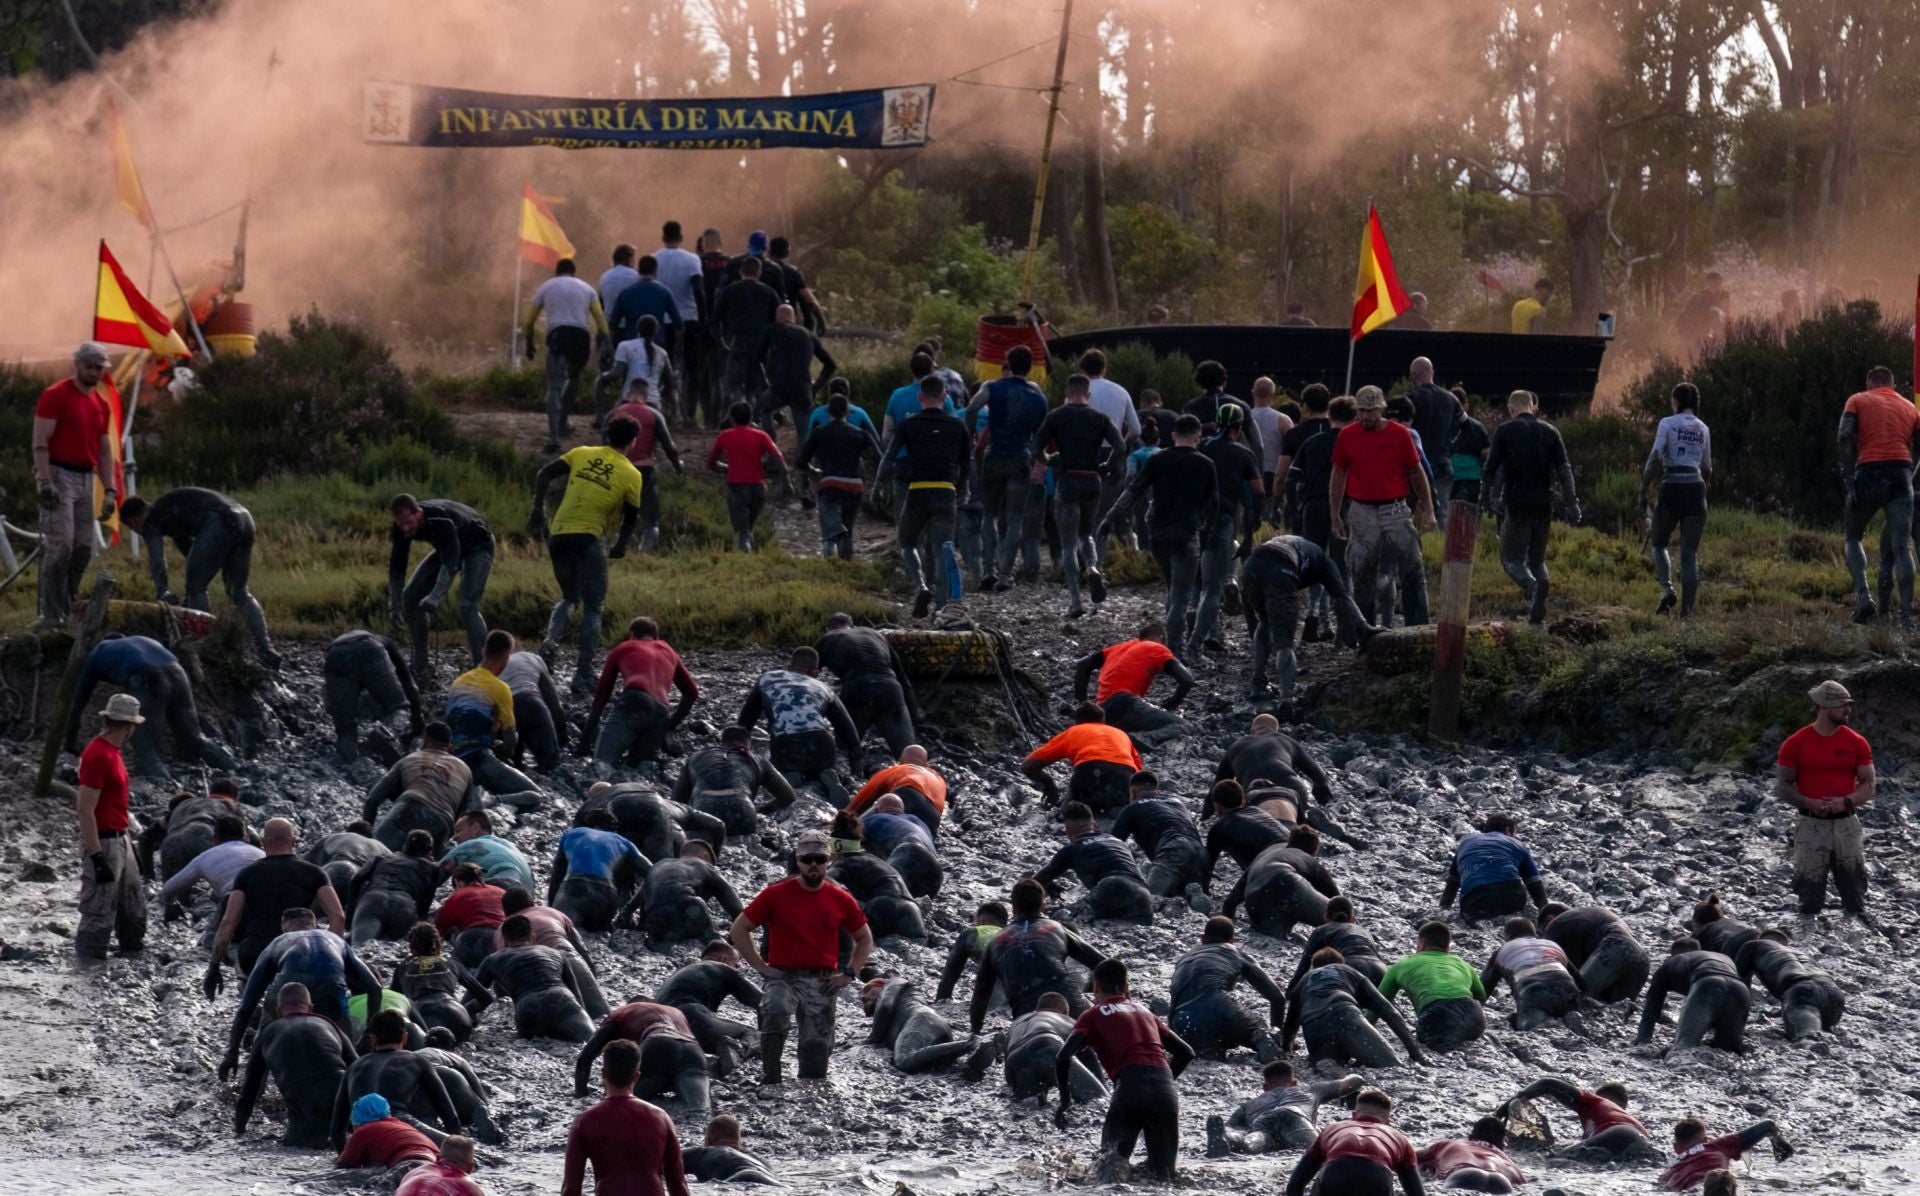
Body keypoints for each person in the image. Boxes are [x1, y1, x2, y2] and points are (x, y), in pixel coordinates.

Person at [730, 828, 873, 1081]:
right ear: (798, 861)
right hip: (782, 975)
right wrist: (760, 966)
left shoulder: (840, 898)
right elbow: (740, 928)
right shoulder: (775, 894)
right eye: (807, 860)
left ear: (829, 861)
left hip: (822, 980)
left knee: (815, 1064)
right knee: (774, 1011)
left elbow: (864, 938)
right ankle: (770, 1077)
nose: (813, 866)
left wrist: (849, 973)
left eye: (819, 860)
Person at [1053, 958, 1195, 1182]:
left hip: (1130, 1088)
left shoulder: (1093, 1014)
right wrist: (1162, 1083)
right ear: (1126, 986)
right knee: (1165, 1177)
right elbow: (1186, 1053)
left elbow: (1062, 1057)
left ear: (1096, 987)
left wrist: (1065, 1102)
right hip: (1165, 1092)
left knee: (1108, 1173)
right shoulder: (1146, 1013)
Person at [529, 418, 644, 688]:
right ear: (633, 441)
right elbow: (631, 518)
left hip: (558, 535)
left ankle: (550, 644)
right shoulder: (632, 474)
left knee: (569, 597)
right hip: (589, 537)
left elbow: (543, 474)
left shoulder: (581, 452)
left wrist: (537, 509)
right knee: (594, 606)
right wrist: (620, 544)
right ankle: (583, 674)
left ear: (606, 433)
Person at [120, 487, 278, 666]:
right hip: (243, 518)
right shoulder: (170, 512)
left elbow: (157, 560)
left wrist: (162, 592)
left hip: (220, 519)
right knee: (239, 591)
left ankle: (207, 647)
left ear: (133, 522)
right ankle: (266, 649)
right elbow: (192, 552)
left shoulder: (150, 520)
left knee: (196, 588)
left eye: (134, 529)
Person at [222, 907, 383, 1075]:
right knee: (345, 1057)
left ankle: (255, 1087)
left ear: (284, 927)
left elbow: (247, 1003)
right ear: (314, 925)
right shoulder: (336, 940)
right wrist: (369, 1033)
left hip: (287, 996)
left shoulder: (279, 941)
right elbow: (375, 988)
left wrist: (232, 1052)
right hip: (331, 994)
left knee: (265, 1042)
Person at [1330, 386, 1436, 628]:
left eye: (1371, 411)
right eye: (1362, 411)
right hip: (1361, 509)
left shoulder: (1400, 434)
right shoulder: (1347, 435)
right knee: (1362, 571)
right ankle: (1365, 630)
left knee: (1412, 568)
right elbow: (1338, 474)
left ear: (1381, 410)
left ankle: (1418, 627)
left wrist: (1428, 509)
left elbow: (1416, 473)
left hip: (1395, 508)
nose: (1366, 416)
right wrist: (1335, 514)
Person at [68, 634, 237, 779]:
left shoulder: (98, 652)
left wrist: (69, 743)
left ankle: (165, 786)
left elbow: (77, 702)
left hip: (147, 677)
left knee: (147, 752)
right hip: (178, 674)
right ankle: (235, 769)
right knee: (195, 738)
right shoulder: (140, 641)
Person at [30, 342, 115, 626]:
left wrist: (111, 490)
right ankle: (50, 614)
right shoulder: (56, 395)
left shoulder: (100, 404)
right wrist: (44, 481)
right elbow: (40, 440)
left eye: (98, 368)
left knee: (83, 547)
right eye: (88, 366)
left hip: (85, 477)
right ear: (77, 365)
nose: (93, 372)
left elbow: (104, 451)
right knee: (60, 546)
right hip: (57, 473)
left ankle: (67, 601)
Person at [1775, 678, 1873, 913]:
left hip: (1847, 824)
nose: (1848, 710)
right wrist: (1810, 802)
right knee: (1808, 892)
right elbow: (1783, 785)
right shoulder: (1796, 743)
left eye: (1848, 704)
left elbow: (1869, 784)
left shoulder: (1856, 742)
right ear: (1824, 707)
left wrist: (1846, 801)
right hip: (1810, 824)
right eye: (1842, 705)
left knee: (1854, 889)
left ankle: (1856, 938)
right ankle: (1808, 942)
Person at [1033, 373, 1127, 616]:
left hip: (1067, 481)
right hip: (1092, 480)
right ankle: (1094, 569)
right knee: (1086, 534)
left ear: (1067, 392)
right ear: (1088, 394)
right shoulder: (1100, 418)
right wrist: (1107, 465)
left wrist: (1049, 459)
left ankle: (1075, 601)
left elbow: (1036, 449)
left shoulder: (1056, 416)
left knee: (1067, 544)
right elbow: (1121, 446)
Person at [1242, 533, 1376, 701]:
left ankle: (1258, 684)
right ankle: (1286, 701)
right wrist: (1364, 627)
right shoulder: (1326, 562)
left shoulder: (1305, 548)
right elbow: (1343, 597)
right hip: (1281, 568)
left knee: (1265, 622)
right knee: (1284, 641)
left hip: (1251, 566)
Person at [1483, 389, 1579, 624]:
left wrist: (1488, 498)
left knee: (1511, 560)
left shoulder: (1505, 430)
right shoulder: (1551, 431)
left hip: (1517, 503)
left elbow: (1491, 469)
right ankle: (1540, 590)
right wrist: (1571, 503)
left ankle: (1533, 586)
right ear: (1533, 408)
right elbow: (1564, 471)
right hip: (1544, 503)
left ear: (1511, 408)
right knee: (1537, 560)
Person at [212, 818, 345, 986]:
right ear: (295, 841)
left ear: (262, 842)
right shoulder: (315, 873)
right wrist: (327, 956)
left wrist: (214, 966)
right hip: (300, 953)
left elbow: (228, 922)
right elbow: (338, 917)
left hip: (256, 954)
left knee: (249, 984)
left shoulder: (246, 874)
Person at [964, 345, 1051, 592]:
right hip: (1021, 457)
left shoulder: (992, 387)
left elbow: (972, 408)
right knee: (1014, 518)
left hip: (994, 454)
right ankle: (1005, 574)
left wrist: (971, 436)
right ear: (1030, 367)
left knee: (989, 514)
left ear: (1008, 363)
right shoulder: (1039, 398)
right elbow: (1041, 433)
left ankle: (988, 570)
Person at [1837, 365, 1920, 623]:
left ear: (1870, 384)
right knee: (1902, 545)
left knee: (1852, 536)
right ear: (1892, 385)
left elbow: (1845, 437)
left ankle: (1864, 598)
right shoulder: (1911, 408)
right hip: (1901, 474)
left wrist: (1850, 479)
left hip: (1869, 471)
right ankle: (1907, 615)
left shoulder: (1857, 399)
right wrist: (1910, 478)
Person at [884, 374, 972, 615]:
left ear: (920, 397)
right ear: (944, 397)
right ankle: (943, 606)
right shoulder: (958, 424)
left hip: (917, 491)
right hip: (946, 491)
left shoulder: (908, 424)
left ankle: (921, 585)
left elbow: (890, 456)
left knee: (907, 542)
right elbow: (967, 463)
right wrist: (964, 490)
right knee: (942, 547)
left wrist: (877, 486)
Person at [968, 879, 1106, 1028]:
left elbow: (980, 996)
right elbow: (1103, 963)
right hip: (1068, 1002)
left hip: (1027, 1015)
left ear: (1013, 908)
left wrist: (975, 1031)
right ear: (1042, 905)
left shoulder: (995, 943)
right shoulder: (1055, 927)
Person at [232, 983, 357, 1146]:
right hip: (343, 1109)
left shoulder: (267, 1034)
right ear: (311, 1008)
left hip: (304, 1117)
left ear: (278, 1012)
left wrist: (239, 1132)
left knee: (301, 1144)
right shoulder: (329, 1025)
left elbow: (249, 1092)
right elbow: (360, 1069)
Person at [563, 1038, 690, 1196]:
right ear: (636, 1076)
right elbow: (679, 1187)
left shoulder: (584, 1121)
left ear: (603, 1073)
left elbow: (571, 1189)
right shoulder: (662, 1118)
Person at [71, 691, 145, 961]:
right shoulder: (98, 754)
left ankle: (131, 964)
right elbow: (84, 809)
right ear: (130, 726)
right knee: (98, 910)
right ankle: (88, 966)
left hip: (120, 836)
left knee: (133, 908)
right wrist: (96, 855)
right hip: (103, 840)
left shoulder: (114, 752)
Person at [388, 494, 494, 682]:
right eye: (400, 524)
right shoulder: (402, 527)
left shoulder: (440, 519)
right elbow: (397, 567)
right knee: (411, 596)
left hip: (477, 545)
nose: (405, 529)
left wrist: (435, 597)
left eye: (408, 523)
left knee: (467, 604)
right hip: (447, 548)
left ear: (418, 513)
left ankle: (484, 669)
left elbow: (451, 564)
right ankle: (421, 666)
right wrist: (394, 604)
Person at [1191, 403, 1265, 659]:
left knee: (1195, 582)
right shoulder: (1243, 454)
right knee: (1212, 588)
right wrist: (1249, 530)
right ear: (1239, 427)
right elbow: (1258, 494)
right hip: (1222, 518)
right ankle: (1198, 643)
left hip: (1192, 519)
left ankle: (1209, 632)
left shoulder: (1201, 446)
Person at [328, 1008, 464, 1149]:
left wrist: (350, 1155)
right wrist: (453, 1150)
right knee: (469, 1152)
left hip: (361, 1134)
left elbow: (337, 1131)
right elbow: (450, 1117)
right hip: (400, 1125)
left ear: (373, 1039)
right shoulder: (416, 1060)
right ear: (405, 1038)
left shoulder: (353, 1067)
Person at [737, 647, 864, 794]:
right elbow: (850, 734)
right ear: (816, 673)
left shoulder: (768, 678)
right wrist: (858, 776)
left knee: (783, 786)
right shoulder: (824, 688)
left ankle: (792, 780)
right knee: (819, 775)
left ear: (789, 668)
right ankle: (825, 780)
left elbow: (746, 719)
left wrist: (737, 755)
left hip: (786, 744)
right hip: (822, 744)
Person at [444, 631, 543, 806]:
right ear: (506, 658)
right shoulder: (500, 688)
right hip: (479, 760)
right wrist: (503, 752)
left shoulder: (458, 682)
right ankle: (491, 801)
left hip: (451, 760)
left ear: (483, 651)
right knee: (536, 796)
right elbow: (510, 739)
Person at [585, 617, 699, 769]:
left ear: (632, 634)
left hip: (634, 701)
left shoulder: (624, 647)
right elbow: (692, 693)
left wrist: (584, 741)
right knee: (639, 772)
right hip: (661, 713)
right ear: (656, 637)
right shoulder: (669, 650)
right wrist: (670, 726)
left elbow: (602, 695)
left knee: (601, 766)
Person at [524, 258, 610, 453]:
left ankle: (554, 436)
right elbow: (600, 320)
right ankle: (563, 423)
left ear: (556, 272)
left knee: (554, 386)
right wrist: (608, 344)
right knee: (574, 377)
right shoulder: (587, 288)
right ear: (574, 272)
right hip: (581, 336)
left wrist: (529, 343)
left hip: (558, 335)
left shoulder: (546, 286)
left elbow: (529, 320)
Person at [1641, 382, 1713, 616]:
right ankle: (1687, 615)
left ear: (1677, 402)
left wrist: (1643, 489)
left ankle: (1667, 589)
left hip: (1672, 486)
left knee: (1659, 542)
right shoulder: (1703, 428)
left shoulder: (1667, 424)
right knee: (1689, 552)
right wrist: (1704, 492)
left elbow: (1654, 458)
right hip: (1696, 487)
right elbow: (1707, 468)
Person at [1168, 917, 1285, 1058]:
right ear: (1232, 940)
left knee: (1209, 1061)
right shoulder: (1234, 951)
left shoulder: (1183, 959)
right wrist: (1279, 1037)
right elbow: (1277, 998)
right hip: (1219, 1005)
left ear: (1202, 938)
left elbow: (1174, 1001)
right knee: (1260, 1034)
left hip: (1182, 1018)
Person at [574, 1001, 711, 1115]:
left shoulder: (618, 1015)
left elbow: (584, 1059)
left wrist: (581, 1094)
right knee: (700, 1111)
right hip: (693, 1051)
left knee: (620, 1103)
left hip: (657, 1046)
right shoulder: (675, 1011)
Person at [814, 613, 921, 758]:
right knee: (907, 754)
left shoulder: (827, 638)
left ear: (828, 629)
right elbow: (904, 682)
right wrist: (915, 718)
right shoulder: (875, 634)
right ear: (852, 625)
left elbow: (805, 678)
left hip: (857, 689)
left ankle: (850, 776)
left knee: (845, 752)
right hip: (890, 688)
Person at [1208, 1059, 1364, 1156]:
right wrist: (1350, 1076)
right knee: (1317, 1154)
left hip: (1263, 1121)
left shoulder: (1248, 1105)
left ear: (1265, 1087)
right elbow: (1355, 1081)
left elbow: (1230, 1126)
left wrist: (1227, 1134)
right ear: (1294, 1083)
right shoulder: (1311, 1090)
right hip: (1295, 1115)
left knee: (1251, 1142)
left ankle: (1231, 1141)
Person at [971, 990, 1107, 1103]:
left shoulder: (1017, 1023)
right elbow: (1089, 1058)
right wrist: (1102, 1089)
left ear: (1037, 1009)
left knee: (1028, 1109)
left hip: (1016, 1062)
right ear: (1065, 1011)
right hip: (1048, 1046)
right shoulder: (1067, 1020)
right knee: (1097, 1103)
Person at [1285, 1088, 1424, 1196]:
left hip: (1336, 1172)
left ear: (1353, 1116)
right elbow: (1417, 1193)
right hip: (1376, 1177)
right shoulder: (1400, 1138)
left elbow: (1295, 1184)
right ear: (1388, 1123)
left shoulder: (1332, 1129)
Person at [1071, 624, 1194, 748]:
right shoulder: (1156, 647)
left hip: (1103, 711)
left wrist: (1083, 704)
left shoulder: (1120, 647)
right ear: (1160, 639)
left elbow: (1083, 664)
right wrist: (1172, 704)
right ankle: (1144, 738)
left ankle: (1123, 735)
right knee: (1185, 726)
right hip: (1125, 703)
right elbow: (1187, 680)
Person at [475, 915, 595, 1041]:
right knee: (587, 1040)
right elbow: (577, 995)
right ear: (532, 936)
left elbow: (472, 996)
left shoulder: (493, 959)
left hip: (528, 1006)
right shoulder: (555, 953)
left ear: (505, 940)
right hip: (562, 999)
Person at [1034, 801, 1153, 924]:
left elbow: (1036, 882)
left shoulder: (1072, 848)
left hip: (1112, 884)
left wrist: (1046, 885)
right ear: (1095, 825)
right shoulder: (1118, 842)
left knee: (1062, 921)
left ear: (1068, 831)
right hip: (1143, 893)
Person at [360, 722, 474, 851]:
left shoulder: (410, 758)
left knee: (376, 852)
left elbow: (373, 799)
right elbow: (463, 814)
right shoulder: (465, 769)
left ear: (424, 742)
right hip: (443, 821)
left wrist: (365, 835)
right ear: (449, 746)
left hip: (410, 806)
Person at [1379, 921, 1489, 1052]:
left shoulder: (1400, 966)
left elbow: (1377, 1005)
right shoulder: (1462, 963)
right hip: (1475, 1016)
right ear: (1448, 946)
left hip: (1439, 1017)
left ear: (1421, 943)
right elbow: (1481, 996)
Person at [796, 394, 882, 560]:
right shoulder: (860, 433)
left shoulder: (819, 432)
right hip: (855, 485)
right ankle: (847, 567)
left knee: (830, 534)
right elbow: (878, 458)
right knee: (847, 531)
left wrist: (813, 470)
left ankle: (831, 571)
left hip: (830, 484)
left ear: (828, 412)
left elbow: (801, 463)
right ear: (848, 412)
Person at [1498, 1077, 1660, 1163]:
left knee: (1554, 1160)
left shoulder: (1594, 1101)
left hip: (1619, 1133)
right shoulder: (1627, 1118)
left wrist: (1502, 1110)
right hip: (1642, 1146)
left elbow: (1546, 1083)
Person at [607, 378, 685, 554]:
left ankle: (614, 547)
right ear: (646, 394)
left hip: (617, 468)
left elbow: (604, 440)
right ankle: (645, 551)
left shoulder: (615, 413)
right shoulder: (654, 415)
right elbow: (670, 447)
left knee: (615, 512)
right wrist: (678, 467)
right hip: (644, 470)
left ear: (628, 393)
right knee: (651, 520)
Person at [323, 629, 424, 764]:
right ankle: (386, 732)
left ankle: (346, 767)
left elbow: (330, 702)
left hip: (336, 656)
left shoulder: (337, 645)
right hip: (370, 649)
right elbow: (408, 683)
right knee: (399, 708)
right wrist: (417, 720)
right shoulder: (386, 642)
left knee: (345, 730)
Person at [655, 941, 763, 1067]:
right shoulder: (721, 967)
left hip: (661, 1027)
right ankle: (738, 1050)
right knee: (758, 1036)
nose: (736, 969)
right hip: (692, 1016)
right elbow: (764, 1002)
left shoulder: (680, 974)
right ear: (723, 959)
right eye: (736, 965)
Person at [672, 727, 798, 835]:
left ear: (722, 741)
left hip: (704, 808)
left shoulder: (695, 757)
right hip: (743, 810)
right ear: (749, 744)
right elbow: (788, 796)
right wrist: (761, 811)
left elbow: (677, 801)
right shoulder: (758, 759)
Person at [1109, 771, 1209, 906]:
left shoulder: (1131, 808)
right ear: (1156, 790)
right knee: (1185, 895)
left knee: (1147, 903)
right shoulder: (1177, 802)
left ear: (1132, 792)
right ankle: (1195, 896)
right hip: (1200, 854)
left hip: (1172, 851)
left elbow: (1113, 846)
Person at [1021, 702, 1143, 812]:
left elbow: (1028, 766)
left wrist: (1048, 783)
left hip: (1088, 775)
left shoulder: (1074, 731)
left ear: (1077, 721)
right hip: (1125, 778)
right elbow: (1140, 773)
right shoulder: (1121, 734)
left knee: (1071, 815)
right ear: (1103, 720)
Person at [620, 839, 744, 948]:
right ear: (703, 856)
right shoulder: (704, 865)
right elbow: (736, 909)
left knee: (661, 951)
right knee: (715, 946)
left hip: (656, 919)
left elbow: (629, 909)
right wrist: (734, 939)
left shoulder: (659, 866)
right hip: (689, 906)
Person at [1636, 936, 1751, 1053]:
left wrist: (1641, 1042)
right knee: (1727, 1051)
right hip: (1741, 990)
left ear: (1673, 954)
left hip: (1707, 984)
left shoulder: (1672, 962)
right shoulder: (1725, 957)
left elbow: (1651, 1009)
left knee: (1683, 1049)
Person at [1221, 826, 1340, 938]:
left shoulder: (1266, 854)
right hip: (1289, 883)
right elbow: (1338, 902)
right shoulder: (1307, 859)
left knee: (1272, 939)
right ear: (1314, 852)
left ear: (1289, 843)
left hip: (1257, 900)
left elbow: (1230, 903)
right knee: (1340, 925)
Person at [826, 812, 926, 940]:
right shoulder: (877, 861)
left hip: (882, 907)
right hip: (911, 911)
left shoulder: (843, 865)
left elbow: (824, 883)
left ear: (835, 847)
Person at [548, 808, 651, 931]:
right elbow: (653, 873)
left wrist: (550, 907)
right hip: (605, 894)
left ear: (589, 824)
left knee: (561, 930)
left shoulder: (572, 834)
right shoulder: (623, 842)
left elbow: (557, 874)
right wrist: (630, 908)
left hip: (575, 888)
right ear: (613, 829)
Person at [1734, 927, 1846, 1040]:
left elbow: (1736, 982)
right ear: (1785, 944)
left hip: (1802, 993)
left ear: (1762, 939)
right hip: (1834, 993)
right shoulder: (1803, 954)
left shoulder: (1754, 945)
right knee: (1826, 1039)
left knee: (1807, 1041)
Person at [576, 781, 727, 864]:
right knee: (662, 868)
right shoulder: (672, 804)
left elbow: (575, 843)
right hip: (655, 809)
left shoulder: (590, 804)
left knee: (622, 870)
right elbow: (718, 825)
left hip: (622, 809)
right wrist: (715, 860)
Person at [1215, 713, 1335, 817]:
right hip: (1293, 788)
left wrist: (1208, 814)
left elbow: (1219, 787)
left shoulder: (1236, 746)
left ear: (1252, 732)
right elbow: (1318, 775)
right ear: (1276, 731)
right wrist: (1323, 799)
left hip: (1254, 793)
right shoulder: (1286, 740)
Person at [394, 923, 493, 1045]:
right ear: (439, 946)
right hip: (457, 1015)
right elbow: (486, 997)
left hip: (422, 1016)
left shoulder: (403, 966)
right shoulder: (452, 962)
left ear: (411, 948)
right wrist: (468, 1010)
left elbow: (394, 1003)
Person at [1441, 811, 1548, 924]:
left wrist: (1443, 910)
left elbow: (1452, 883)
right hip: (1512, 892)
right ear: (1508, 830)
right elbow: (1534, 884)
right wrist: (1546, 914)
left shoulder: (1466, 843)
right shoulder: (1518, 845)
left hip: (1476, 897)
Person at [160, 810, 261, 928]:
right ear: (246, 838)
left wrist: (171, 906)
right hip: (268, 905)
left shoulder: (204, 858)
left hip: (234, 908)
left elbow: (167, 890)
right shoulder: (261, 854)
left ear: (214, 839)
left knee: (210, 940)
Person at [707, 401, 785, 552]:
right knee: (748, 528)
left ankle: (745, 563)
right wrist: (786, 480)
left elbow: (711, 462)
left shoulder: (725, 436)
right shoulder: (762, 435)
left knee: (742, 532)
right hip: (759, 488)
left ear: (731, 419)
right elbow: (778, 456)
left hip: (736, 487)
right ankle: (753, 557)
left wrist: (723, 468)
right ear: (750, 418)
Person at [753, 303, 834, 446]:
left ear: (778, 317)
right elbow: (830, 365)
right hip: (802, 390)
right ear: (794, 318)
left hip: (779, 388)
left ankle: (771, 446)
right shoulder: (808, 334)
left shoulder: (772, 330)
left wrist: (764, 382)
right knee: (803, 432)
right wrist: (815, 388)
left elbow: (756, 360)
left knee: (763, 408)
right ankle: (805, 462)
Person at [1480, 917, 1581, 1030]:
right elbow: (1580, 982)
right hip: (1567, 987)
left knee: (1528, 1031)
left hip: (1533, 990)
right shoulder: (1551, 944)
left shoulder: (1501, 951)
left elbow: (1481, 992)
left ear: (1508, 937)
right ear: (1535, 933)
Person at [861, 975, 978, 1073]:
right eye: (862, 1001)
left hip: (922, 1019)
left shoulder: (894, 982)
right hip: (931, 1031)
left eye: (867, 990)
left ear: (881, 984)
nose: (863, 997)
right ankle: (973, 1048)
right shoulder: (889, 1022)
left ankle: (974, 1043)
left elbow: (885, 1007)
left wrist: (871, 1040)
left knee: (903, 1059)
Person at [1538, 902, 1650, 1003]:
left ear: (1549, 919)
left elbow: (1543, 960)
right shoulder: (1589, 919)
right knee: (1616, 1013)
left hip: (1616, 946)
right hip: (1642, 959)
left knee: (1573, 1001)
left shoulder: (1557, 923)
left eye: (1541, 931)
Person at [714, 255, 782, 415]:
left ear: (740, 272)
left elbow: (715, 319)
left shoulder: (731, 290)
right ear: (759, 273)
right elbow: (779, 321)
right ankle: (757, 416)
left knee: (734, 384)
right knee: (757, 385)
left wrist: (721, 341)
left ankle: (740, 415)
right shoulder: (769, 292)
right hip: (761, 344)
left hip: (738, 342)